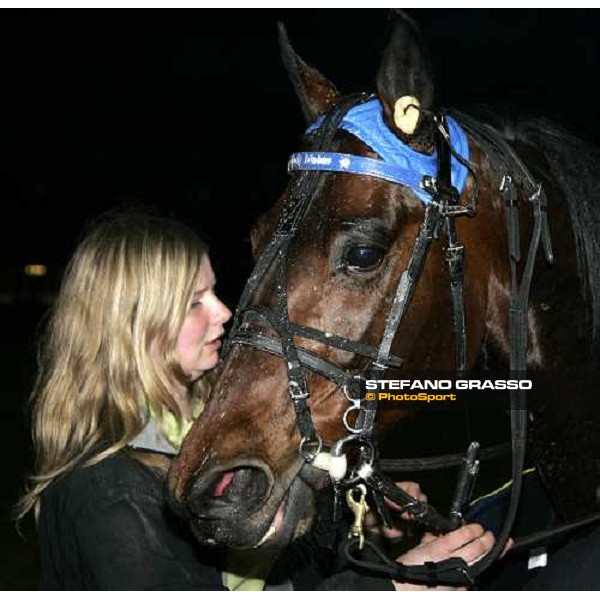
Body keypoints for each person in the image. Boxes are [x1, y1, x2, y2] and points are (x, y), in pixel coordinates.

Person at [16, 208, 494, 590]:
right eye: (193, 303)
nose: (225, 312)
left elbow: (273, 555)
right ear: (131, 328)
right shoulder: (110, 492)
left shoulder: (209, 423)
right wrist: (396, 588)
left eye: (215, 292)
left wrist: (359, 520)